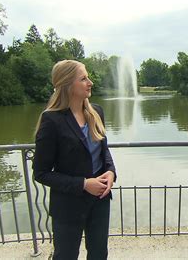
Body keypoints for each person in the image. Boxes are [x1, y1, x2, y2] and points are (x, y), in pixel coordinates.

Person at [32, 60, 116, 259]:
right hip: (68, 205)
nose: (90, 82)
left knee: (99, 254)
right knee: (66, 255)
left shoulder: (96, 112)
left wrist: (111, 172)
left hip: (100, 200)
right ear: (68, 85)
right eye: (83, 78)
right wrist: (84, 184)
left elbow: (104, 152)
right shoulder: (51, 120)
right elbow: (41, 173)